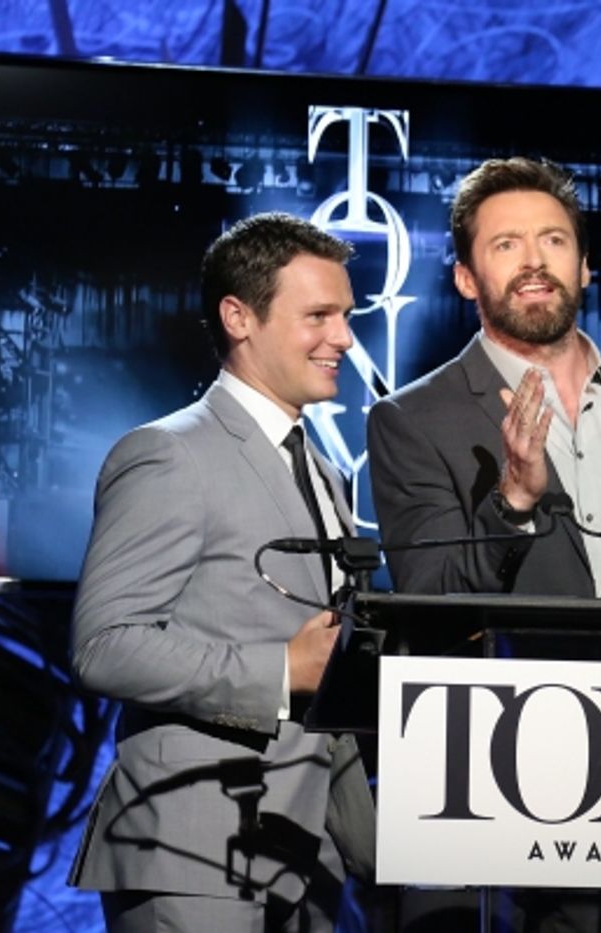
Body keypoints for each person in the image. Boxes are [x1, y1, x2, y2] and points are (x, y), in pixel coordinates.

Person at [366, 157, 601, 930]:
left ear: (586, 265)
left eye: (554, 240)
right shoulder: (412, 418)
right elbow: (426, 596)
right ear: (466, 278)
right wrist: (513, 505)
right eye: (506, 245)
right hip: (486, 796)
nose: (534, 260)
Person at [68, 212, 375, 932]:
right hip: (194, 847)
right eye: (320, 316)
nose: (345, 338)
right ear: (239, 316)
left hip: (310, 855)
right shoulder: (168, 453)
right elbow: (104, 643)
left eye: (347, 316)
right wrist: (279, 669)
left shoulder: (327, 475)